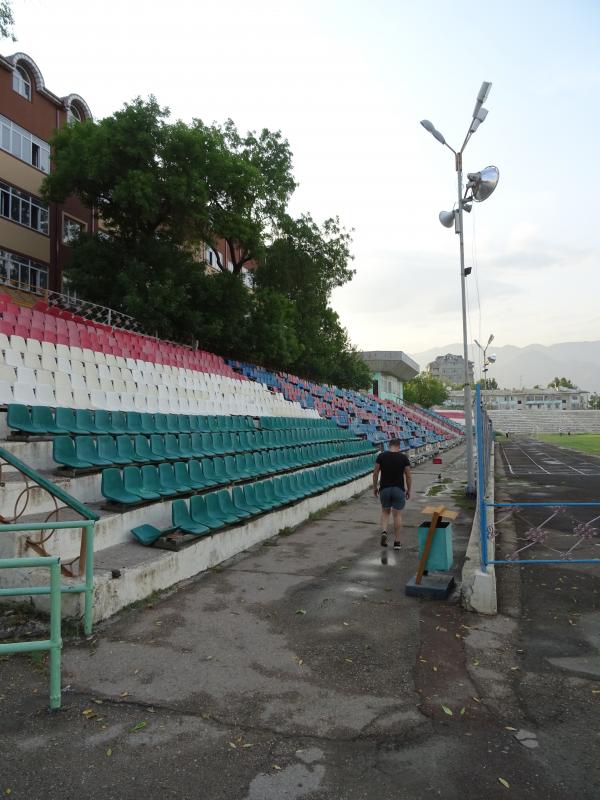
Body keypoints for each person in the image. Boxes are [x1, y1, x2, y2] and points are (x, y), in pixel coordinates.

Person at [372, 438, 412, 550]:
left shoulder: (381, 456)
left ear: (388, 445)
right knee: (397, 515)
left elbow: (375, 474)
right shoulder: (403, 458)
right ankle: (397, 542)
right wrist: (409, 489)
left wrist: (375, 487)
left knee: (385, 513)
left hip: (384, 489)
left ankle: (384, 532)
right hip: (398, 489)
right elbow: (408, 476)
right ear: (399, 446)